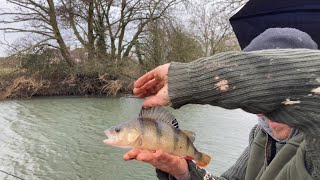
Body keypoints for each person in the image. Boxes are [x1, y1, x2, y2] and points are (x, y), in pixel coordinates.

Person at [123, 27, 320, 180]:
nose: (263, 113)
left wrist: (191, 80)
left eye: (270, 94)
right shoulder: (261, 135)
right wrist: (184, 172)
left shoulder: (314, 143)